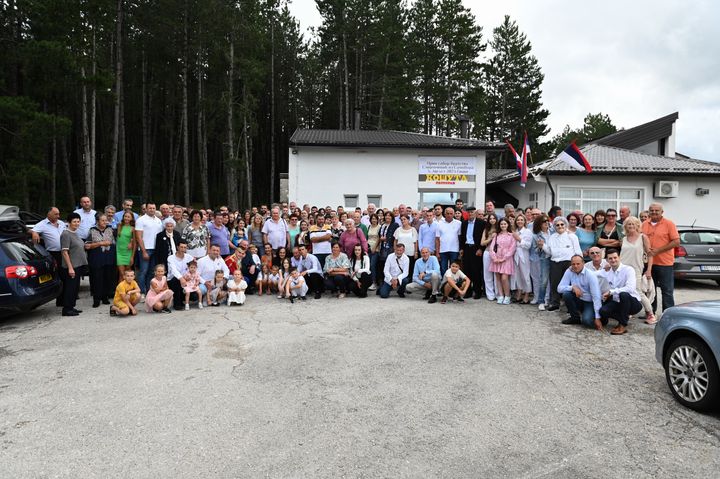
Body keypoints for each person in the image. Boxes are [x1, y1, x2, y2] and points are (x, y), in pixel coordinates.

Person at [642, 203, 679, 316]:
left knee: (667, 290)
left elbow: (676, 242)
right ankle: (650, 312)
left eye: (656, 210)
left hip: (665, 263)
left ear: (662, 212)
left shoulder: (669, 224)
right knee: (650, 289)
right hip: (648, 264)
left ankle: (668, 314)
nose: (654, 212)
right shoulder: (644, 224)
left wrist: (658, 250)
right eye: (651, 210)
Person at [599, 249, 644, 335]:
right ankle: (623, 318)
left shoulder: (628, 269)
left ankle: (622, 325)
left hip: (633, 303)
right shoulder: (607, 271)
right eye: (610, 258)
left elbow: (630, 288)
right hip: (618, 303)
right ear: (607, 260)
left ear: (619, 257)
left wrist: (611, 292)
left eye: (615, 257)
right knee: (603, 311)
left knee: (623, 294)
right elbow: (593, 274)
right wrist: (574, 268)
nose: (613, 260)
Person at [621, 216, 656, 324]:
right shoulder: (624, 238)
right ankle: (628, 311)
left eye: (633, 224)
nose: (631, 226)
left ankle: (650, 314)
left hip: (636, 268)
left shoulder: (642, 237)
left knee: (637, 291)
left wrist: (649, 270)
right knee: (624, 290)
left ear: (637, 225)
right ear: (625, 226)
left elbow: (650, 255)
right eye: (628, 224)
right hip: (623, 268)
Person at [544, 216, 582, 311]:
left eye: (562, 224)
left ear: (565, 225)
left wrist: (579, 263)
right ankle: (555, 303)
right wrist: (543, 246)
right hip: (555, 262)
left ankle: (571, 305)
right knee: (554, 283)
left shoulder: (572, 236)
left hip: (569, 263)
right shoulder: (552, 237)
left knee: (570, 283)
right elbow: (549, 251)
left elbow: (578, 251)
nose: (560, 226)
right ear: (554, 226)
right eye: (557, 225)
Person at [31, 207, 67, 305]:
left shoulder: (61, 223)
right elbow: (31, 230)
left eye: (58, 214)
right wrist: (34, 233)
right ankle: (60, 300)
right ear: (49, 214)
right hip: (54, 253)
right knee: (59, 275)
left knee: (66, 275)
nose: (58, 216)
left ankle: (64, 298)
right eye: (56, 214)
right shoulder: (42, 224)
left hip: (65, 252)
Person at [557, 255, 603, 329]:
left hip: (589, 302)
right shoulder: (569, 271)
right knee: (566, 294)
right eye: (573, 264)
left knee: (586, 321)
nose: (575, 266)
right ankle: (575, 318)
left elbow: (596, 296)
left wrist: (598, 318)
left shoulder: (590, 275)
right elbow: (559, 288)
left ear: (583, 263)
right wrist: (572, 287)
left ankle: (601, 319)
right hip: (578, 299)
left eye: (578, 264)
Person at [59, 212, 89, 316]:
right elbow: (64, 252)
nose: (76, 223)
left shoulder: (75, 233)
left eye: (78, 221)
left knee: (75, 288)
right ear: (68, 222)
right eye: (74, 222)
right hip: (71, 266)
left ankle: (72, 306)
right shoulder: (66, 234)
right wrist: (70, 268)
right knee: (70, 288)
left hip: (78, 265)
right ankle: (66, 309)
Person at [85, 214, 116, 308]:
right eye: (102, 220)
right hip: (96, 259)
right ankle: (96, 299)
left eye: (106, 220)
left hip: (109, 258)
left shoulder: (110, 229)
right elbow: (87, 246)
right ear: (97, 221)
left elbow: (113, 242)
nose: (105, 222)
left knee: (107, 278)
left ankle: (105, 297)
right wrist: (101, 243)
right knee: (96, 279)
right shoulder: (92, 230)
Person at [135, 203, 163, 297]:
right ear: (146, 209)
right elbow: (139, 237)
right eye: (150, 208)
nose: (152, 209)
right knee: (143, 271)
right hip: (146, 249)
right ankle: (141, 292)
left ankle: (148, 292)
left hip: (156, 250)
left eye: (153, 208)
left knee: (151, 272)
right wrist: (143, 251)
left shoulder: (158, 220)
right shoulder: (141, 220)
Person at [489, 217, 516, 305]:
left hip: (506, 260)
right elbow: (492, 247)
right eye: (501, 224)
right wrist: (494, 258)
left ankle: (507, 296)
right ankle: (500, 295)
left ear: (508, 224)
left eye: (505, 224)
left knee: (504, 278)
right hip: (496, 259)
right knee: (498, 278)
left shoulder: (511, 236)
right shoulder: (496, 235)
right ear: (499, 225)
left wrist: (503, 258)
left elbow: (512, 248)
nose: (503, 225)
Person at [459, 207, 485, 299]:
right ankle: (468, 291)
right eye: (469, 212)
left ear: (475, 213)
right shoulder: (464, 223)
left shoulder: (481, 223)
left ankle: (477, 291)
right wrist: (461, 248)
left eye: (472, 212)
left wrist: (481, 248)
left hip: (476, 248)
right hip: (466, 248)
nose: (470, 214)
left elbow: (483, 237)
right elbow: (462, 237)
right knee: (467, 270)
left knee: (476, 271)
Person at [530, 214, 551, 310]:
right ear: (539, 224)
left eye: (547, 221)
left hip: (555, 258)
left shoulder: (554, 232)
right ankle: (541, 301)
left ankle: (550, 300)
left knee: (553, 281)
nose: (546, 223)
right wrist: (539, 247)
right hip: (544, 258)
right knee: (544, 280)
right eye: (544, 221)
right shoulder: (536, 236)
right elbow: (535, 251)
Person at [511, 214, 532, 303]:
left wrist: (519, 239)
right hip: (515, 255)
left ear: (524, 221)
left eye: (521, 220)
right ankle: (519, 294)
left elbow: (528, 245)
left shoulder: (527, 232)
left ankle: (526, 295)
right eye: (518, 220)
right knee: (517, 275)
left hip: (524, 255)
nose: (519, 221)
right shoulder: (514, 231)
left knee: (525, 275)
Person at [167, 241, 193, 310]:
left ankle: (183, 300)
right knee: (176, 280)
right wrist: (181, 278)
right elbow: (173, 270)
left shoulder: (189, 257)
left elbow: (194, 267)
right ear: (177, 247)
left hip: (185, 279)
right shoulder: (170, 258)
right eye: (181, 247)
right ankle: (177, 304)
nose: (183, 249)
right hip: (172, 280)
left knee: (194, 294)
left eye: (185, 247)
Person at [435, 207, 461, 275]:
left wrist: (460, 250)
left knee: (454, 269)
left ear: (454, 214)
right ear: (444, 214)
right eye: (447, 213)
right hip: (443, 250)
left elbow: (460, 237)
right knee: (443, 269)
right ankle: (444, 284)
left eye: (451, 213)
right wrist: (437, 253)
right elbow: (437, 239)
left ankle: (453, 284)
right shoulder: (439, 224)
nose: (449, 215)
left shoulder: (458, 223)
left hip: (454, 250)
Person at [377, 211, 399, 286]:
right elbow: (379, 236)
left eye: (389, 216)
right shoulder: (382, 225)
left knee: (390, 264)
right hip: (383, 248)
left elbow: (395, 237)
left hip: (390, 248)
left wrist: (386, 239)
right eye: (386, 216)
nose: (387, 217)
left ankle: (392, 282)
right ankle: (384, 281)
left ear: (392, 217)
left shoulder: (395, 225)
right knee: (382, 265)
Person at [480, 214, 498, 301]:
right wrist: (490, 238)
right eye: (490, 218)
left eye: (494, 218)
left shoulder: (500, 228)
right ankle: (490, 294)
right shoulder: (486, 230)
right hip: (487, 252)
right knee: (487, 274)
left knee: (497, 274)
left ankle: (498, 293)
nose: (492, 220)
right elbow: (482, 243)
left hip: (498, 253)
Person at [366, 214, 381, 291]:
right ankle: (370, 282)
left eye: (375, 219)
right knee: (368, 266)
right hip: (368, 248)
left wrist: (374, 247)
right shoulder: (369, 226)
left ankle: (374, 283)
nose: (374, 220)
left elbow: (379, 238)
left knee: (373, 265)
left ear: (377, 219)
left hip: (375, 249)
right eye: (372, 219)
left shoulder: (379, 227)